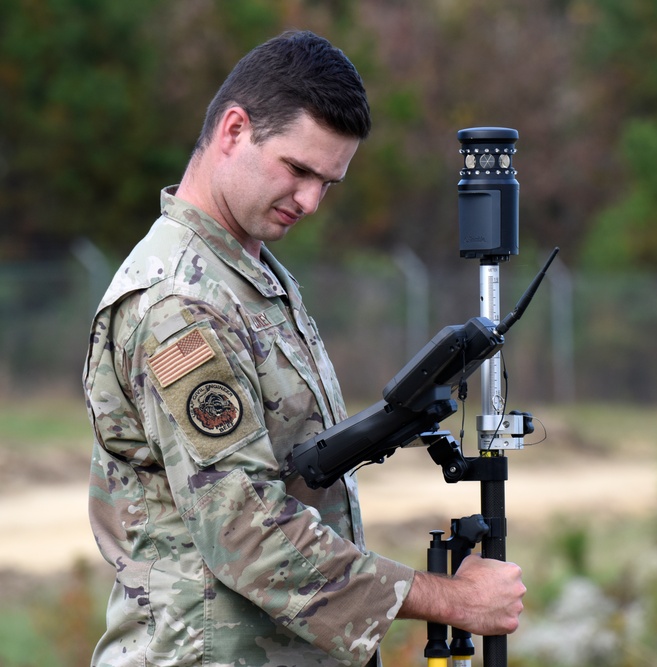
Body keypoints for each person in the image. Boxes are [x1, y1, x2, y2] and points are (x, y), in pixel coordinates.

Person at [83, 30, 525, 667]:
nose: (311, 201)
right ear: (234, 130)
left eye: (329, 182)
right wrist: (452, 601)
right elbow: (247, 534)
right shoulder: (180, 303)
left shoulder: (249, 275)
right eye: (298, 170)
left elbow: (289, 473)